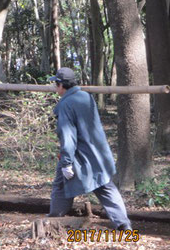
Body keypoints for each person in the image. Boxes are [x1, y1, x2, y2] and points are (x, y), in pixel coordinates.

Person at [48, 67, 132, 230]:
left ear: (60, 85)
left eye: (55, 84)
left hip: (79, 155)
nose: (54, 88)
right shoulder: (86, 96)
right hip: (98, 152)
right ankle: (123, 224)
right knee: (104, 186)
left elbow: (68, 136)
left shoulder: (66, 104)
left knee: (61, 185)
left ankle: (53, 221)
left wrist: (66, 163)